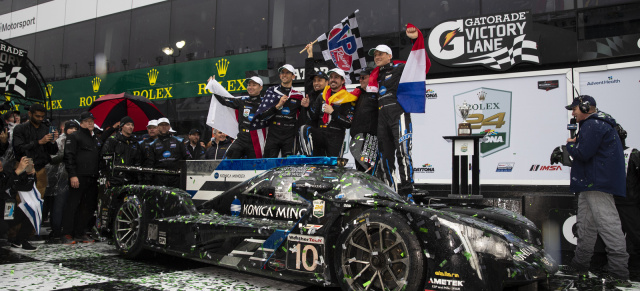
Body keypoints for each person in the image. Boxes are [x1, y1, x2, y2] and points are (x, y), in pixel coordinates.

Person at [563, 95, 631, 287]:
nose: (573, 113)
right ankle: (580, 264)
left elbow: (583, 153)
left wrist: (569, 144)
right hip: (590, 183)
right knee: (586, 227)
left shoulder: (593, 125)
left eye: (574, 109)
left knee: (609, 226)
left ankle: (619, 272)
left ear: (585, 108)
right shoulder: (598, 124)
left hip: (596, 183)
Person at [367, 25, 428, 197]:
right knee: (384, 157)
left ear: (389, 56)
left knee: (403, 153)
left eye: (380, 54)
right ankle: (389, 192)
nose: (377, 57)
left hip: (398, 115)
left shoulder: (400, 69)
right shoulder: (374, 76)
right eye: (375, 55)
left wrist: (416, 40)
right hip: (382, 119)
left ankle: (407, 192)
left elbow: (420, 64)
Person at [300, 68, 357, 157]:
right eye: (331, 77)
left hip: (336, 136)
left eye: (336, 77)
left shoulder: (348, 98)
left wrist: (333, 112)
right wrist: (308, 107)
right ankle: (309, 158)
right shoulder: (322, 95)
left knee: (334, 167)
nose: (333, 79)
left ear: (342, 80)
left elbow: (348, 123)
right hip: (321, 132)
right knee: (304, 129)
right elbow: (313, 117)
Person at [207, 75, 268, 159]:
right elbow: (224, 100)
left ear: (260, 88)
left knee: (255, 166)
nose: (250, 87)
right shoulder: (242, 100)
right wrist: (213, 87)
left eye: (254, 85)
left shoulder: (265, 103)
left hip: (256, 140)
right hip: (242, 137)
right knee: (229, 159)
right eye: (249, 85)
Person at [63, 112, 100, 244]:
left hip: (92, 176)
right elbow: (69, 156)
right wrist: (72, 175)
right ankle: (67, 233)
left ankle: (80, 232)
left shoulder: (94, 138)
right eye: (87, 121)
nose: (90, 123)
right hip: (78, 176)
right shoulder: (74, 136)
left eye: (92, 120)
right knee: (73, 205)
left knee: (88, 206)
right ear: (81, 122)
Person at [12, 103, 58, 198]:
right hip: (24, 167)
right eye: (37, 116)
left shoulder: (46, 129)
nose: (40, 119)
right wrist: (39, 142)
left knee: (39, 199)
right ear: (30, 114)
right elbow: (19, 148)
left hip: (40, 168)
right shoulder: (20, 128)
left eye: (42, 116)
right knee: (21, 200)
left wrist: (53, 142)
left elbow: (53, 152)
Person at [259, 64, 304, 158]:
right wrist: (278, 106)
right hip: (274, 132)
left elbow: (302, 117)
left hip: (290, 134)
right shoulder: (272, 92)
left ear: (293, 76)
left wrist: (306, 106)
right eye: (282, 73)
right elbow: (263, 116)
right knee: (268, 163)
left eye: (288, 73)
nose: (284, 75)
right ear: (279, 76)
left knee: (288, 165)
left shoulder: (298, 96)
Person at [46, 120, 78, 242]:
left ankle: (63, 229)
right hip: (60, 179)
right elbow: (52, 159)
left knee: (66, 205)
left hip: (70, 177)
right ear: (65, 129)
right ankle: (56, 231)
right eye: (71, 129)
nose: (74, 131)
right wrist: (67, 155)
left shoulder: (75, 141)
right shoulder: (61, 140)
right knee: (58, 206)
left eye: (76, 129)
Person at [144, 117, 191, 187]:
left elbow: (188, 158)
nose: (163, 127)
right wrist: (148, 181)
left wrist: (187, 175)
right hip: (159, 177)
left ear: (169, 127)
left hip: (176, 176)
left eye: (165, 125)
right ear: (158, 127)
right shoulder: (152, 145)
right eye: (161, 125)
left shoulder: (179, 141)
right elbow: (150, 163)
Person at [6, 156, 39, 251]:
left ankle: (20, 240)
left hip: (7, 208)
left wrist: (31, 175)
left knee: (31, 210)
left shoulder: (6, 174)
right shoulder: (12, 175)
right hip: (4, 209)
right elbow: (4, 187)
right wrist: (17, 171)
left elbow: (26, 187)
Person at [101, 116, 143, 187]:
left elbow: (138, 162)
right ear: (122, 126)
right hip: (114, 180)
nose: (130, 127)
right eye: (128, 124)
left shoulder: (135, 143)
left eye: (132, 125)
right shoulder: (112, 140)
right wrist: (105, 177)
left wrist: (139, 179)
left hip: (131, 181)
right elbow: (104, 159)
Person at [350, 68, 379, 172]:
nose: (360, 80)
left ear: (372, 78)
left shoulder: (378, 93)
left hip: (369, 139)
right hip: (356, 138)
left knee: (368, 170)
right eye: (360, 78)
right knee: (360, 170)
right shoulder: (357, 93)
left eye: (363, 78)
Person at [300, 42, 329, 126]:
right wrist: (310, 55)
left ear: (327, 82)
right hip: (309, 132)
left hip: (323, 132)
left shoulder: (330, 95)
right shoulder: (310, 93)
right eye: (314, 80)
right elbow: (308, 75)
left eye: (319, 80)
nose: (316, 83)